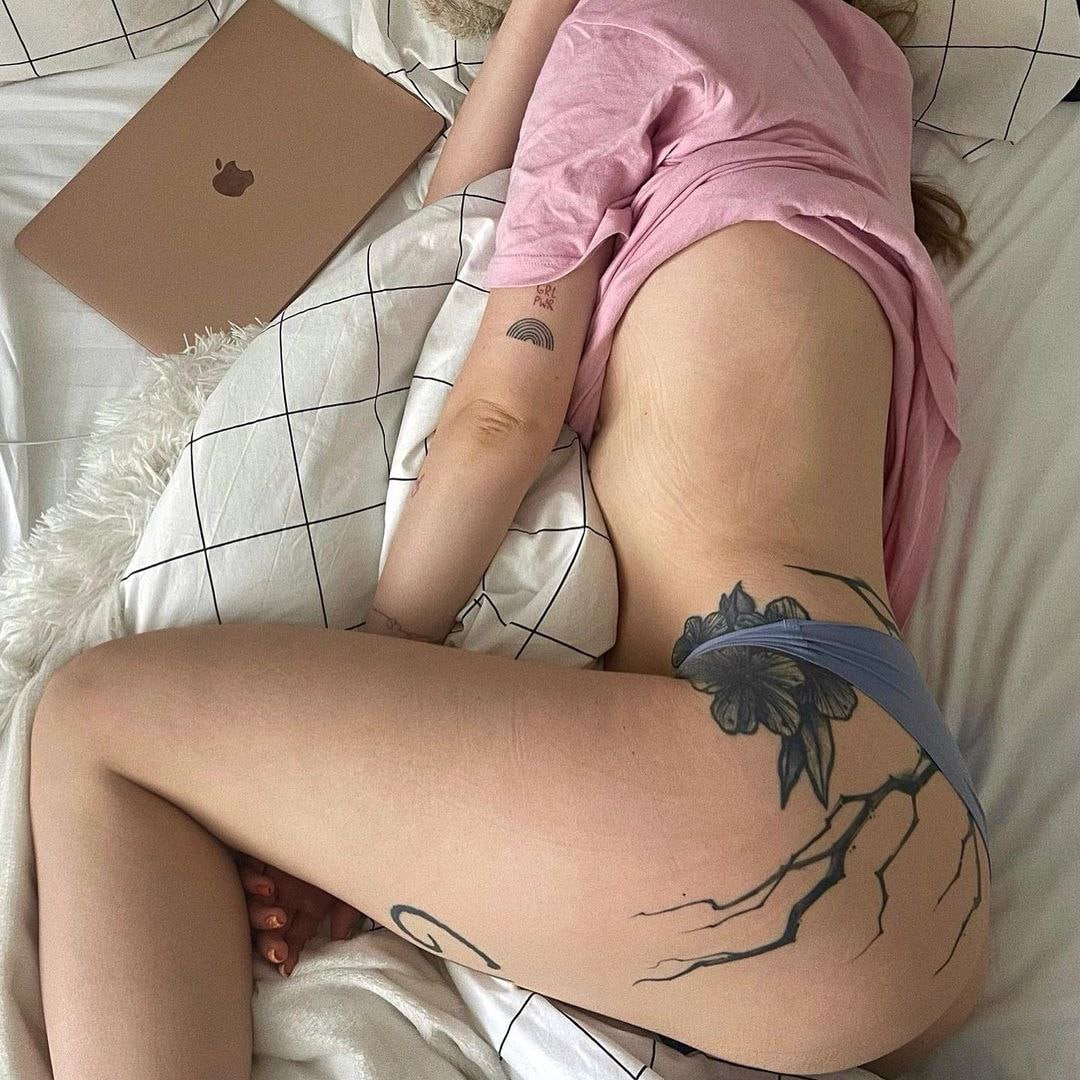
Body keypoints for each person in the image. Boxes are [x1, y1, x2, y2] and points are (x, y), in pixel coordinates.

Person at [27, 0, 991, 1077]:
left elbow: (494, 409)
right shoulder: (857, 71)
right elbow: (462, 226)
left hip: (771, 793)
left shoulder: (634, 31)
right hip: (915, 826)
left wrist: (373, 694)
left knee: (96, 722)